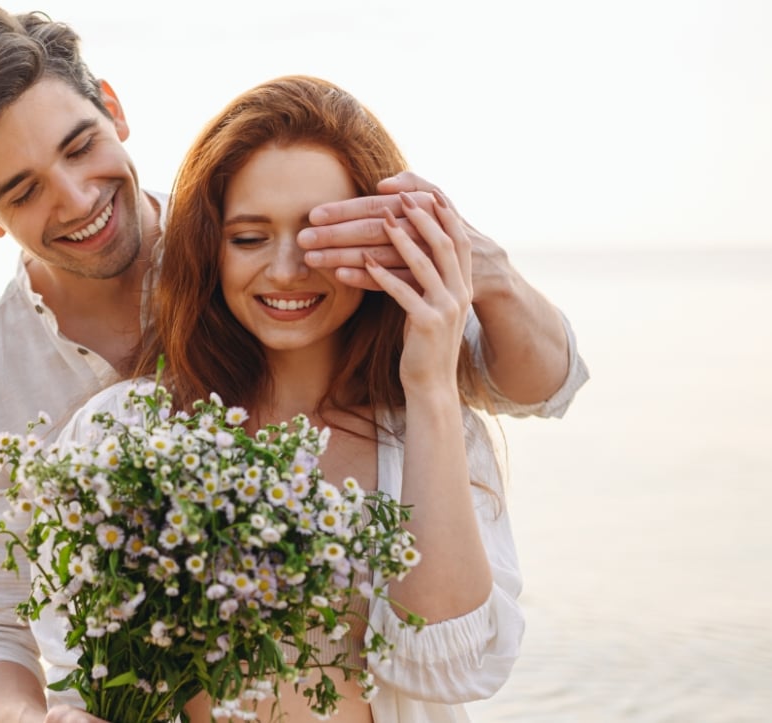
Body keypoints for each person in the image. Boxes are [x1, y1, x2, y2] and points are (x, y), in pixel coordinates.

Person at [0, 5, 588, 722]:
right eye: (22, 189)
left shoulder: (253, 230)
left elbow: (536, 381)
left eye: (79, 148)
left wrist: (483, 277)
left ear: (112, 108)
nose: (77, 199)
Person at [44, 73, 524, 723]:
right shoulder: (124, 429)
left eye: (321, 234)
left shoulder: (425, 436)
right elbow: (81, 666)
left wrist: (431, 383)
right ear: (209, 248)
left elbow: (451, 666)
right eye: (249, 236)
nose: (288, 269)